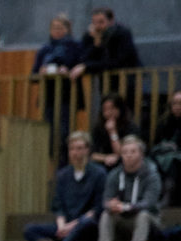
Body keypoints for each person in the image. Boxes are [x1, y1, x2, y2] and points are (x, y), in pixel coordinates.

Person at [22, 131, 106, 241]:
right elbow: (58, 205)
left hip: (87, 225)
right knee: (29, 230)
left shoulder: (99, 173)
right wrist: (62, 225)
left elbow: (98, 208)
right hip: (65, 224)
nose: (75, 153)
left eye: (79, 148)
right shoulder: (62, 175)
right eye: (72, 149)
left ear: (87, 150)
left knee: (85, 223)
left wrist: (71, 226)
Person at [91, 135, 162, 241]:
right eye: (125, 152)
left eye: (133, 151)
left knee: (143, 215)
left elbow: (149, 202)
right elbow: (106, 200)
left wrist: (125, 206)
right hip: (124, 218)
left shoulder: (152, 175)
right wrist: (111, 205)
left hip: (150, 220)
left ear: (141, 154)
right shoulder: (115, 174)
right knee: (106, 214)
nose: (128, 155)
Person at [32, 14, 82, 167]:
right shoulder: (45, 49)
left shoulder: (75, 46)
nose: (57, 31)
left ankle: (66, 165)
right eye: (54, 28)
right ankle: (54, 168)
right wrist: (41, 72)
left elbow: (81, 65)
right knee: (49, 136)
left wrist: (67, 71)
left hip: (67, 96)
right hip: (49, 96)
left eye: (60, 28)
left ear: (68, 29)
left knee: (64, 133)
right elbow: (32, 75)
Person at [70, 7, 141, 84]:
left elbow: (119, 61)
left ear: (111, 21)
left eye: (101, 22)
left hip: (126, 79)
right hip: (104, 81)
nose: (97, 26)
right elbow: (82, 59)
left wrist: (87, 66)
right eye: (94, 22)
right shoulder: (90, 35)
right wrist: (96, 45)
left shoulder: (122, 34)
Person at [90, 94, 140, 170]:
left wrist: (112, 132)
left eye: (112, 108)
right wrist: (105, 158)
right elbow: (91, 154)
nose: (108, 112)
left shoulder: (131, 127)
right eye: (105, 109)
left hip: (125, 162)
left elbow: (123, 154)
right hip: (104, 162)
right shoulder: (99, 127)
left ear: (120, 109)